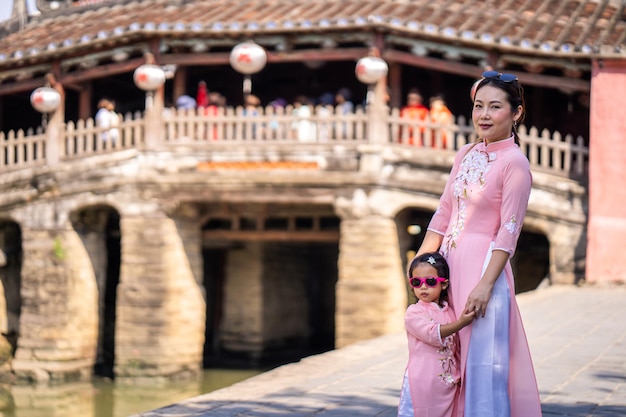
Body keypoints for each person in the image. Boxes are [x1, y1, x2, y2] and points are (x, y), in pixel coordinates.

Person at [412, 71, 542, 417]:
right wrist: (422, 265)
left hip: (483, 269)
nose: (484, 115)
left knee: (482, 363)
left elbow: (508, 231)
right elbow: (443, 212)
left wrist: (486, 285)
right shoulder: (465, 153)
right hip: (448, 267)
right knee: (445, 355)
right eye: (478, 106)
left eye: (495, 107)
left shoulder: (515, 164)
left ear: (516, 113)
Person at [398, 252, 475, 417]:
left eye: (430, 281)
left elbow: (456, 348)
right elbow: (432, 333)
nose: (423, 287)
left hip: (448, 383)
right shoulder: (414, 313)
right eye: (417, 282)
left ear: (444, 284)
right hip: (422, 381)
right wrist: (461, 323)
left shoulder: (451, 312)